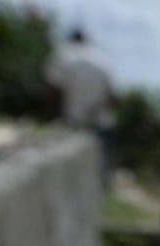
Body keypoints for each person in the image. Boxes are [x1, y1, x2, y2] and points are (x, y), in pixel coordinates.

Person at [45, 27, 115, 187]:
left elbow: (52, 88)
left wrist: (52, 113)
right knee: (102, 173)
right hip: (99, 122)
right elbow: (111, 96)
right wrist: (96, 109)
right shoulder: (102, 59)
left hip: (73, 120)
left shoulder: (63, 55)